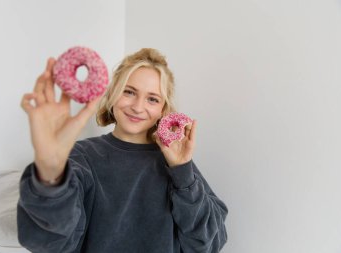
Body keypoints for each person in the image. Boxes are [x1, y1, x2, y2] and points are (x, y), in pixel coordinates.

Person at [17, 48, 228, 253]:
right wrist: (50, 171)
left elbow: (208, 244)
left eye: (152, 98)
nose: (137, 107)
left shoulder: (176, 165)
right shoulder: (82, 157)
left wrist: (182, 172)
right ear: (113, 95)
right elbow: (49, 242)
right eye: (129, 92)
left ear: (162, 110)